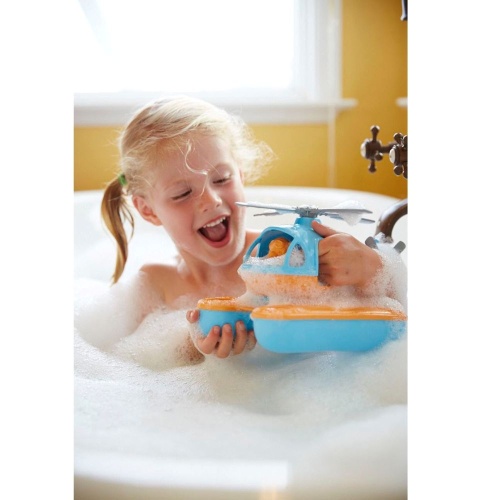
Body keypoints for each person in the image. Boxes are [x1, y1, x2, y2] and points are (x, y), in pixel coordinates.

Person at [101, 96, 386, 361]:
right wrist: (192, 349)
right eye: (182, 194)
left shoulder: (289, 257)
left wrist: (372, 269)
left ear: (240, 173)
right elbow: (135, 366)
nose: (211, 201)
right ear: (148, 210)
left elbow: (383, 323)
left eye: (222, 179)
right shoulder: (154, 284)